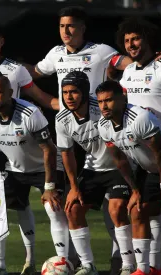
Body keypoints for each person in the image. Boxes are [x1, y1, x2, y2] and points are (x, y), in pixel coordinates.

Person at [25, 6, 148, 271]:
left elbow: (126, 63)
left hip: (102, 127)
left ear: (82, 28)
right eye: (61, 26)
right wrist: (50, 100)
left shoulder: (101, 51)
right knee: (71, 200)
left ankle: (121, 257)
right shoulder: (55, 54)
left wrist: (149, 61)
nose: (65, 31)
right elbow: (31, 74)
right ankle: (81, 262)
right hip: (71, 129)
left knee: (113, 204)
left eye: (71, 26)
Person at [0, 22, 59, 275]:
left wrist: (71, 107)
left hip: (15, 148)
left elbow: (40, 97)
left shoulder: (16, 71)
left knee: (21, 206)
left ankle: (33, 260)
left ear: (1, 42)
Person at [96, 81, 161, 275]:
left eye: (109, 100)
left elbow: (160, 153)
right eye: (100, 101)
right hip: (151, 170)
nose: (104, 106)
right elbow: (120, 161)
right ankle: (143, 270)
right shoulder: (103, 125)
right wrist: (135, 190)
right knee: (137, 210)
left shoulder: (140, 117)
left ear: (122, 98)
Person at [56, 71, 136, 275]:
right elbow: (67, 154)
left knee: (117, 209)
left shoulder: (100, 108)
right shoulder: (62, 118)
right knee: (72, 209)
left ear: (83, 92)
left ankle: (127, 265)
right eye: (65, 92)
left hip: (120, 166)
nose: (68, 97)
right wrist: (74, 188)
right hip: (93, 168)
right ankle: (88, 265)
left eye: (74, 92)